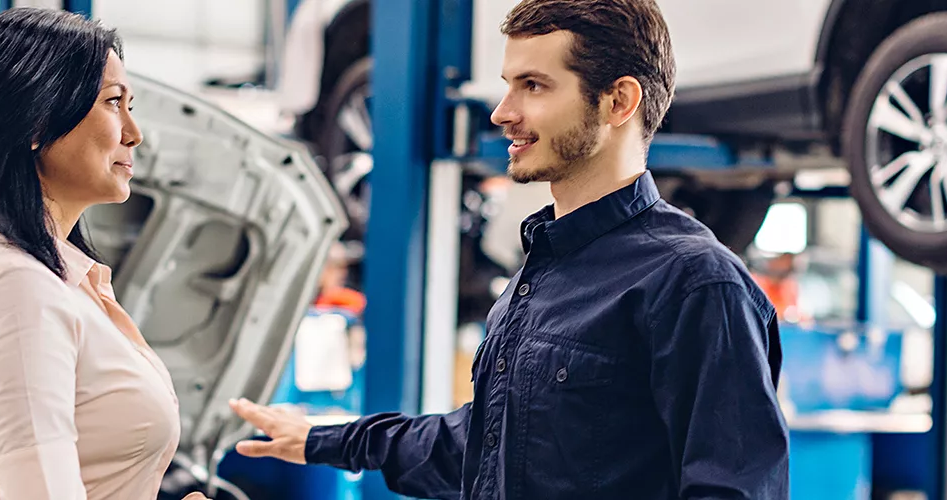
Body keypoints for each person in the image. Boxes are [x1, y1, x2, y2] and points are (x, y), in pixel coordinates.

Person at [227, 0, 789, 498]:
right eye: (508, 83)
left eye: (534, 86)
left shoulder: (695, 283)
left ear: (618, 101)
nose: (501, 112)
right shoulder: (543, 271)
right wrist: (329, 440)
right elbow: (483, 448)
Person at [0, 8, 203, 500]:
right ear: (35, 121)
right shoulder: (9, 284)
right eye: (113, 103)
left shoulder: (55, 279)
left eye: (131, 105)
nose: (133, 133)